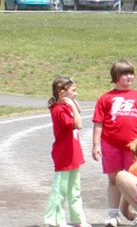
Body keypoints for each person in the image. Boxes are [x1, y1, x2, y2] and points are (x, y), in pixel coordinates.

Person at [92, 60, 137, 227]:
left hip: (135, 146)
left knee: (134, 181)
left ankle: (136, 213)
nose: (130, 76)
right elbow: (98, 123)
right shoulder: (105, 98)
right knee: (113, 179)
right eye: (125, 74)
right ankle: (113, 214)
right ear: (116, 77)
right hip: (111, 144)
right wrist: (96, 145)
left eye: (131, 73)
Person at [44, 76, 91, 227]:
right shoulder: (58, 110)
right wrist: (69, 103)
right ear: (61, 92)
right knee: (59, 190)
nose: (76, 94)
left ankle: (78, 220)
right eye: (73, 91)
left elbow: (80, 110)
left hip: (73, 155)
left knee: (74, 190)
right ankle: (54, 221)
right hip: (63, 155)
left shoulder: (65, 108)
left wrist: (72, 102)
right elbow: (78, 124)